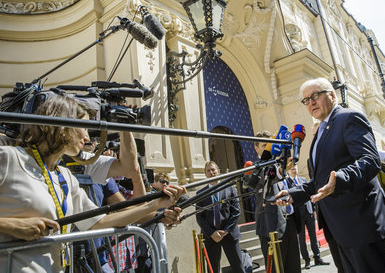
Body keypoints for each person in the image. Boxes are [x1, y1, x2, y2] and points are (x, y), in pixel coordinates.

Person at [0, 95, 185, 272]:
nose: (88, 138)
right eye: (84, 127)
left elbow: (99, 223)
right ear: (64, 125)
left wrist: (156, 205)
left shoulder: (64, 176)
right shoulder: (9, 158)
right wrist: (12, 226)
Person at [275, 77, 385, 273]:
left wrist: (340, 179)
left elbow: (370, 160)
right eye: (306, 100)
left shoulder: (348, 118)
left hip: (361, 226)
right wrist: (293, 194)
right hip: (338, 229)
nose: (311, 102)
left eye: (315, 96)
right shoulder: (321, 131)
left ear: (332, 94)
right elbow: (320, 181)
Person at [250, 131, 301, 273]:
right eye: (265, 146)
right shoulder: (256, 168)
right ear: (256, 148)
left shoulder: (280, 164)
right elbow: (268, 177)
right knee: (276, 269)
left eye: (271, 145)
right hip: (270, 225)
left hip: (289, 222)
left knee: (294, 266)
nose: (269, 149)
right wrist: (281, 169)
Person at [195, 161, 245, 273]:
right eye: (208, 170)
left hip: (229, 235)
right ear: (205, 174)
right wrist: (212, 233)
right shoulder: (200, 194)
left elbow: (236, 212)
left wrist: (226, 230)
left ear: (218, 171)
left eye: (213, 170)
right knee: (213, 269)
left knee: (238, 267)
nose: (211, 172)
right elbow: (200, 217)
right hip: (210, 236)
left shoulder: (230, 188)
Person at [288, 165, 329, 269]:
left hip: (309, 212)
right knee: (301, 239)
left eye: (295, 167)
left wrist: (314, 210)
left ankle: (317, 257)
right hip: (298, 215)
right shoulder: (287, 183)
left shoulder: (303, 179)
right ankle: (307, 260)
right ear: (288, 171)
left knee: (313, 236)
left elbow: (310, 195)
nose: (294, 169)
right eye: (292, 168)